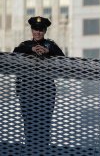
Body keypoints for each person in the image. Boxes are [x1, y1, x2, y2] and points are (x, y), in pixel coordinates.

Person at [13, 16, 64, 155]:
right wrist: (31, 48)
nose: (38, 32)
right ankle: (30, 151)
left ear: (45, 31)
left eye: (41, 30)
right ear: (31, 30)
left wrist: (48, 51)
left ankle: (42, 151)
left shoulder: (50, 45)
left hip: (46, 93)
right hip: (27, 92)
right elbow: (14, 54)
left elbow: (63, 59)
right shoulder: (25, 45)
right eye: (35, 29)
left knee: (44, 125)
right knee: (29, 125)